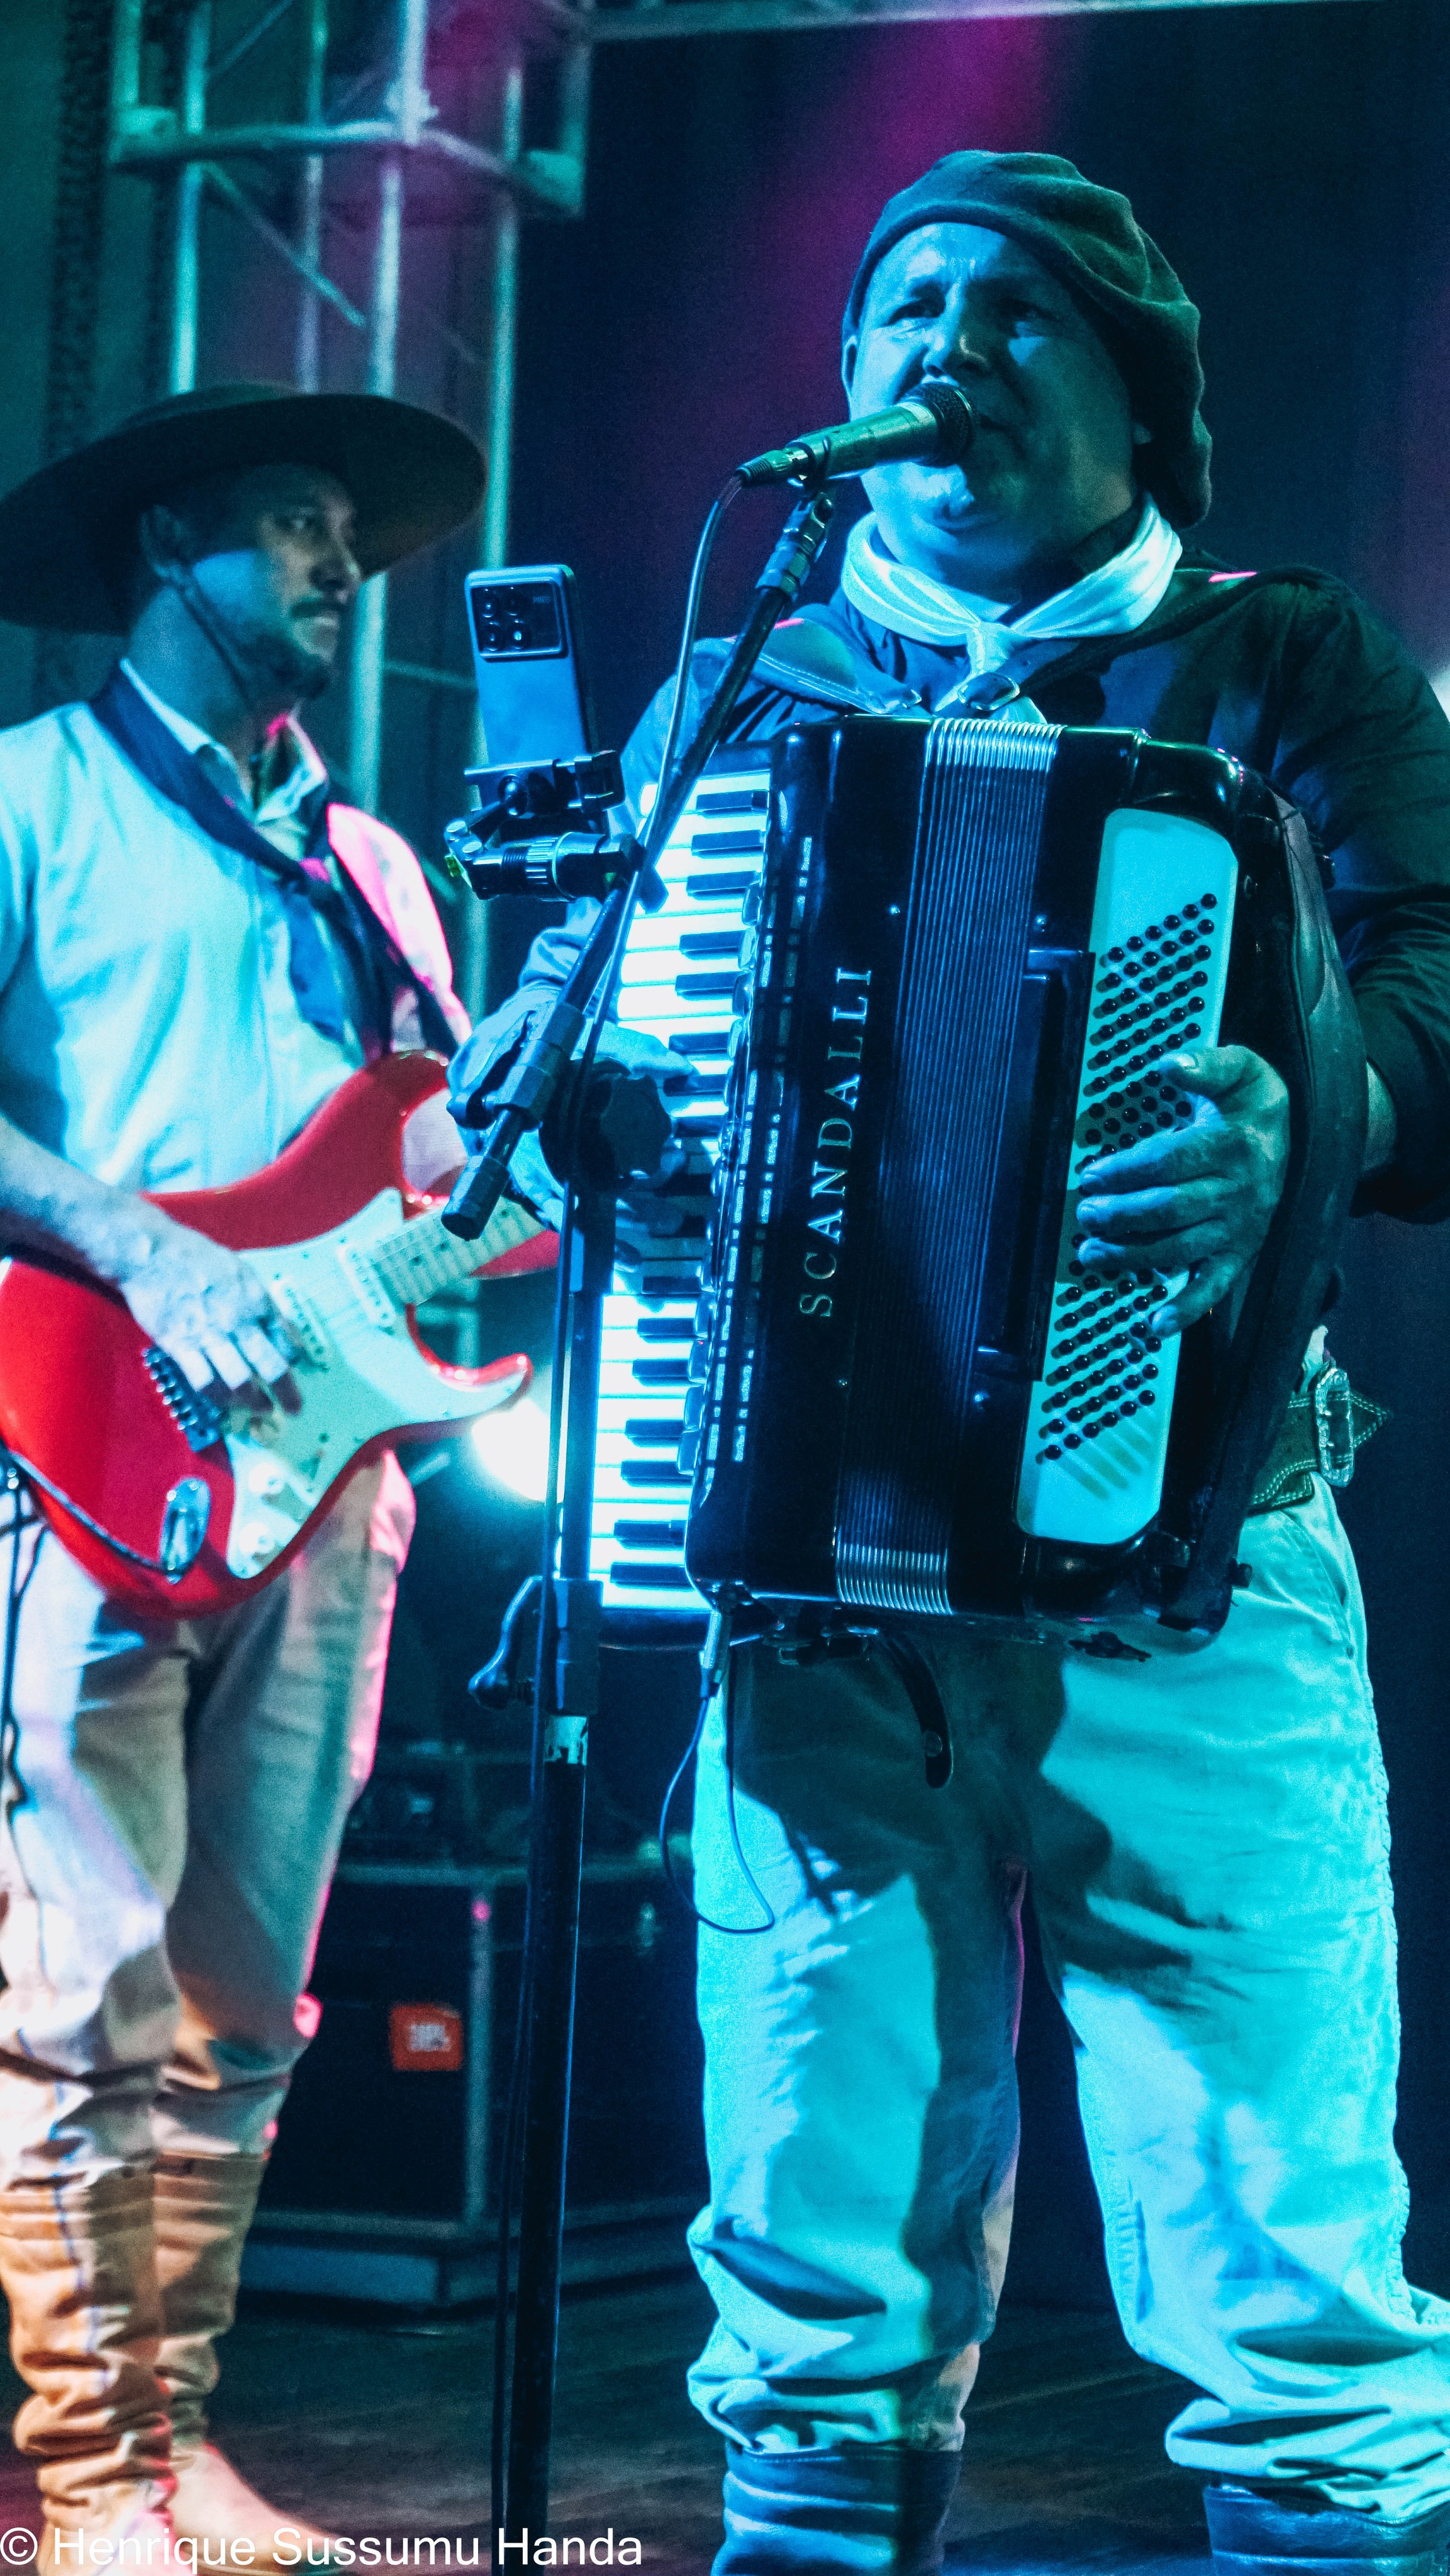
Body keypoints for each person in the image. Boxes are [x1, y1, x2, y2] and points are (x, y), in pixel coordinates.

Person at [452, 155, 1450, 2573]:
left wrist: (1302, 1111)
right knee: (816, 2245)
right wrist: (569, 1084)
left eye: (1011, 314)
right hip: (814, 1577)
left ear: (1137, 391)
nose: (938, 351)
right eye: (900, 308)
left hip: (1185, 1582)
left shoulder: (1275, 655)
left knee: (1275, 2239)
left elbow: (1440, 990)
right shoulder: (742, 680)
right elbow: (641, 1081)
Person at [0, 383, 496, 2573]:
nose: (338, 566)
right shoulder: (24, 801)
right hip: (84, 1449)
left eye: (347, 538)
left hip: (322, 1477)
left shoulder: (377, 869)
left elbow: (427, 1175)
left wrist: (555, 1153)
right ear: (165, 555)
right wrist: (134, 1242)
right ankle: (89, 2481)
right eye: (292, 526)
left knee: (239, 1996)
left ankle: (183, 2436)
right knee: (75, 1991)